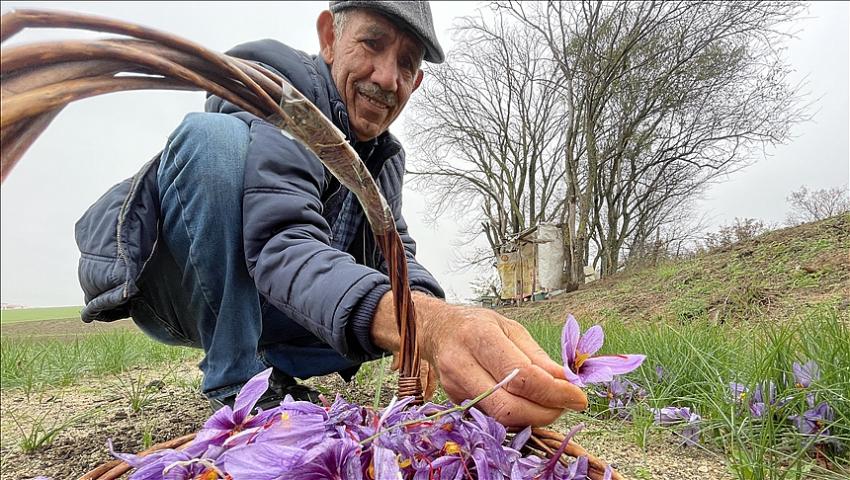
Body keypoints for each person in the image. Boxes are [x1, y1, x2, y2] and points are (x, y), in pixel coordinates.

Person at [74, 0, 587, 427]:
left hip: (269, 307)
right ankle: (238, 383)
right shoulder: (280, 93)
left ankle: (271, 369)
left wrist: (428, 312)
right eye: (372, 44)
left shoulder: (383, 156)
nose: (386, 77)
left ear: (416, 82)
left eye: (406, 64)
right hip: (181, 288)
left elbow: (394, 248)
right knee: (213, 141)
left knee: (394, 308)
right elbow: (280, 243)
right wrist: (423, 325)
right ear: (328, 38)